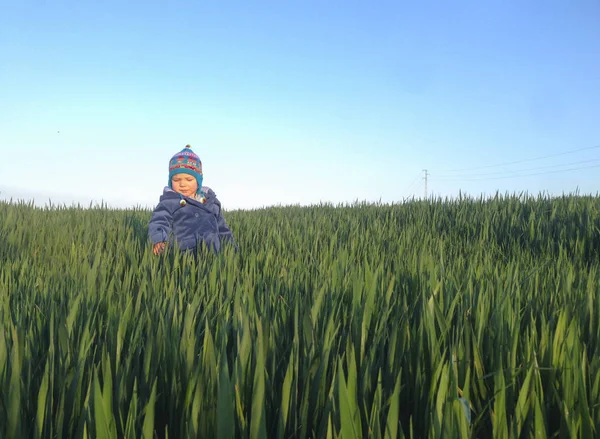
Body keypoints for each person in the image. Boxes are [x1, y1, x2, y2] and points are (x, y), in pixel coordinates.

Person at [148, 145, 236, 255]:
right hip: (182, 256)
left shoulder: (210, 202)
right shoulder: (169, 202)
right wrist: (159, 239)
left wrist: (232, 250)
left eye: (189, 179)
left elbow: (223, 229)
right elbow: (159, 221)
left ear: (198, 181)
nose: (182, 184)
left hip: (213, 254)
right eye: (176, 180)